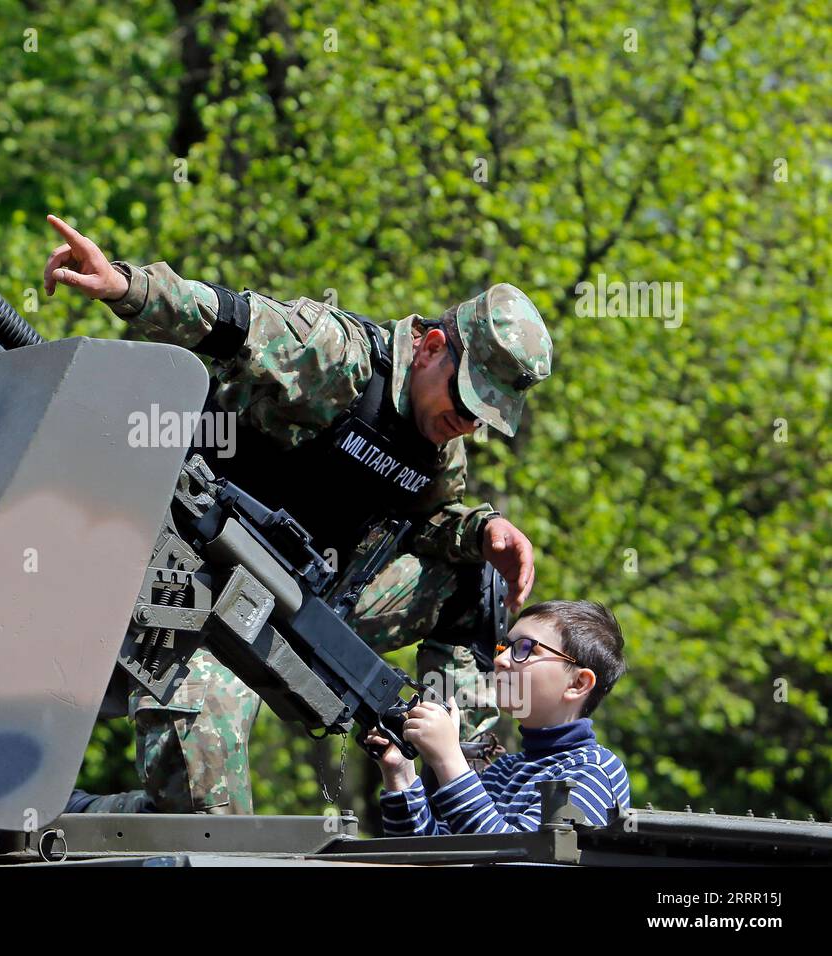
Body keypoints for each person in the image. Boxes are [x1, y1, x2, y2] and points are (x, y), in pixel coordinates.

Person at [44, 213, 552, 814]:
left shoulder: (442, 450)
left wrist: (480, 530)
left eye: (481, 418)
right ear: (431, 349)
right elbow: (231, 321)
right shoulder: (337, 356)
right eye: (465, 401)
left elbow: (426, 527)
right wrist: (129, 288)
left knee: (476, 579)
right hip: (188, 584)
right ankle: (61, 824)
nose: (466, 424)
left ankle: (460, 784)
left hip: (300, 608)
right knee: (210, 822)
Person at [366, 600, 630, 835]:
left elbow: (514, 859)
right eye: (505, 646)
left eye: (526, 648)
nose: (501, 660)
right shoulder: (503, 770)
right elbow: (432, 853)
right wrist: (400, 773)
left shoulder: (594, 770)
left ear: (578, 683)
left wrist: (449, 758)